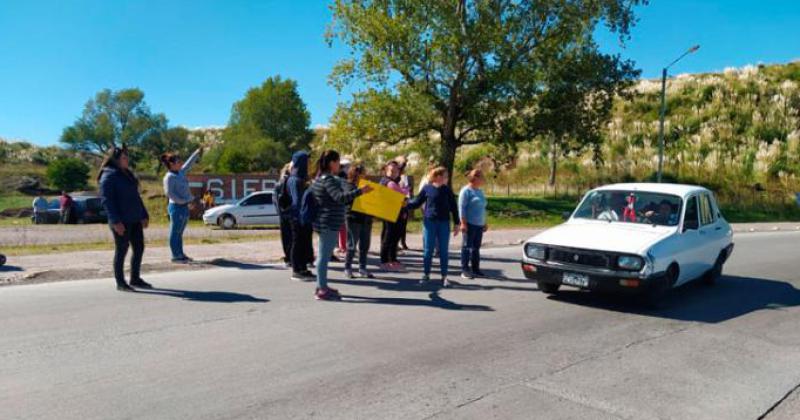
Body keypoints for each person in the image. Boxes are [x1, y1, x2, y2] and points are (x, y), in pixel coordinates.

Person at [310, 150, 373, 301]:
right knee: (323, 258)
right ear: (332, 163)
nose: (340, 166)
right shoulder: (328, 180)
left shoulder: (321, 178)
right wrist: (360, 191)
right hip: (328, 223)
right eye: (338, 162)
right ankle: (321, 289)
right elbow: (339, 198)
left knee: (322, 256)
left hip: (324, 222)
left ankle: (322, 285)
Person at [98, 146, 151, 292]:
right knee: (122, 250)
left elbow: (136, 197)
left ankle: (135, 278)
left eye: (127, 157)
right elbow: (107, 201)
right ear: (115, 160)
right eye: (123, 157)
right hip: (121, 220)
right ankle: (120, 282)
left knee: (139, 248)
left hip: (134, 218)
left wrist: (144, 214)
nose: (127, 160)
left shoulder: (127, 174)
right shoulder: (108, 176)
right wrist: (115, 221)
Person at [406, 167, 459, 287]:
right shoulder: (427, 188)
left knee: (444, 251)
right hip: (429, 222)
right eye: (445, 176)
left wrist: (457, 223)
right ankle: (426, 274)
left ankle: (444, 276)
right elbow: (416, 202)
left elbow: (454, 207)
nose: (447, 178)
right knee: (428, 250)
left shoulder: (447, 190)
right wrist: (406, 204)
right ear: (438, 176)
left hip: (444, 223)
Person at [161, 147, 202, 263]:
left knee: (179, 232)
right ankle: (175, 255)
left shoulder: (180, 172)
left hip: (184, 206)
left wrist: (196, 153)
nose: (181, 163)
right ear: (171, 164)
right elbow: (169, 193)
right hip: (176, 207)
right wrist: (182, 201)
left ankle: (180, 254)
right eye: (178, 162)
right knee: (175, 232)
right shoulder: (168, 177)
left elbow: (189, 164)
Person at [287, 151, 315, 281]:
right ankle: (296, 271)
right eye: (307, 161)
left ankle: (303, 268)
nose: (310, 163)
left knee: (304, 244)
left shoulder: (302, 178)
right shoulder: (295, 179)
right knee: (297, 243)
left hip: (304, 217)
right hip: (298, 217)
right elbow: (298, 201)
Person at [343, 164, 375, 279]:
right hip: (353, 219)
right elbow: (347, 199)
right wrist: (361, 191)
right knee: (351, 245)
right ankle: (347, 268)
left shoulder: (367, 185)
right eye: (361, 173)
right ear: (354, 173)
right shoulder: (348, 185)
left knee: (365, 245)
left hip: (366, 219)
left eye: (364, 173)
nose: (364, 175)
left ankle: (362, 268)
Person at [379, 161, 409, 271]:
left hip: (398, 212)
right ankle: (384, 260)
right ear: (386, 170)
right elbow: (402, 194)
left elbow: (403, 197)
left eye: (396, 171)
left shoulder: (396, 181)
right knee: (388, 237)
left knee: (396, 236)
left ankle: (393, 259)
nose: (394, 172)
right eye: (391, 170)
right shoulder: (387, 182)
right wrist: (404, 191)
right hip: (388, 213)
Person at [458, 169, 488, 279]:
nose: (483, 180)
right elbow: (462, 208)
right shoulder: (466, 191)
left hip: (479, 224)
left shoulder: (479, 191)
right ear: (475, 178)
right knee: (466, 247)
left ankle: (476, 269)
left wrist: (484, 222)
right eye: (481, 177)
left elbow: (483, 207)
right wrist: (463, 223)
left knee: (476, 248)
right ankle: (465, 270)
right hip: (469, 223)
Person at [274, 162, 294, 267]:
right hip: (290, 213)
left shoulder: (278, 184)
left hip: (283, 214)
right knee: (292, 237)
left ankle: (288, 258)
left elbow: (275, 200)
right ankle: (292, 258)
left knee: (286, 238)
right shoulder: (291, 182)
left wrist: (279, 212)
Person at [396, 156, 412, 251]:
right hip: (397, 202)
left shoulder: (404, 177)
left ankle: (403, 242)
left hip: (404, 200)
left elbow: (406, 190)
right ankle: (396, 243)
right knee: (398, 224)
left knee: (403, 223)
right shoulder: (395, 178)